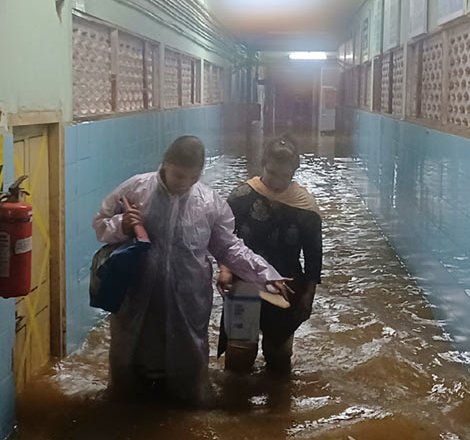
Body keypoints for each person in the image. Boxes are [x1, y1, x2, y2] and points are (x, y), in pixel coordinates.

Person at [93, 136, 289, 406]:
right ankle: (127, 407)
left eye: (192, 178)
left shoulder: (208, 202)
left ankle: (187, 410)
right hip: (137, 295)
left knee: (187, 360)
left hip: (187, 297)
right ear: (165, 164)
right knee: (131, 354)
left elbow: (229, 247)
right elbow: (101, 224)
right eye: (178, 175)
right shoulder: (136, 189)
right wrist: (122, 225)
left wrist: (266, 273)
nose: (183, 184)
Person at [217, 136, 322, 375]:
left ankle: (278, 408)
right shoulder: (241, 198)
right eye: (271, 173)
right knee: (239, 357)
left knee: (279, 358)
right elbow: (223, 239)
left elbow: (313, 255)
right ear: (263, 165)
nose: (276, 182)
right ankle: (237, 408)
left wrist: (309, 294)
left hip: (286, 287)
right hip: (243, 283)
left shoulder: (305, 208)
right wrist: (224, 270)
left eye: (284, 176)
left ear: (294, 173)